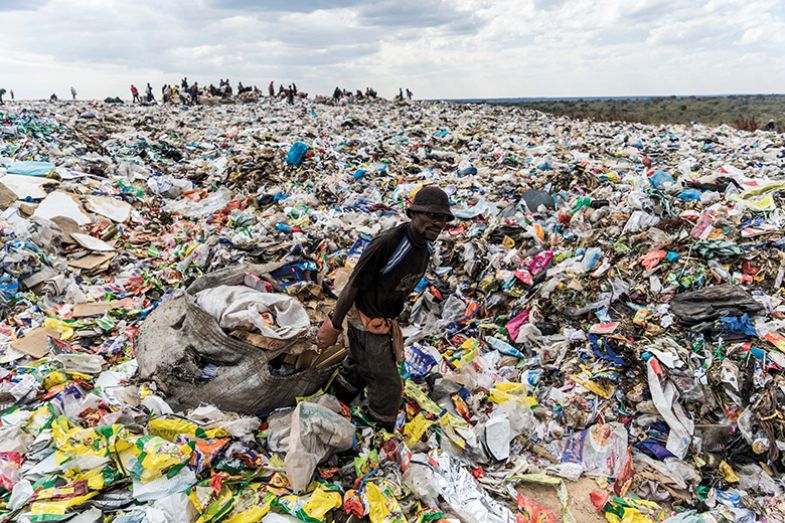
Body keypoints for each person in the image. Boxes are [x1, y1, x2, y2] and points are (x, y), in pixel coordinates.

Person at [316, 186, 454, 430]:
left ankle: (334, 402)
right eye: (431, 215)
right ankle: (378, 433)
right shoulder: (389, 243)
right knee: (389, 386)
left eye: (442, 218)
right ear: (414, 213)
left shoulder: (424, 248)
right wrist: (334, 325)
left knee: (358, 367)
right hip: (367, 322)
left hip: (383, 322)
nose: (437, 222)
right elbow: (352, 286)